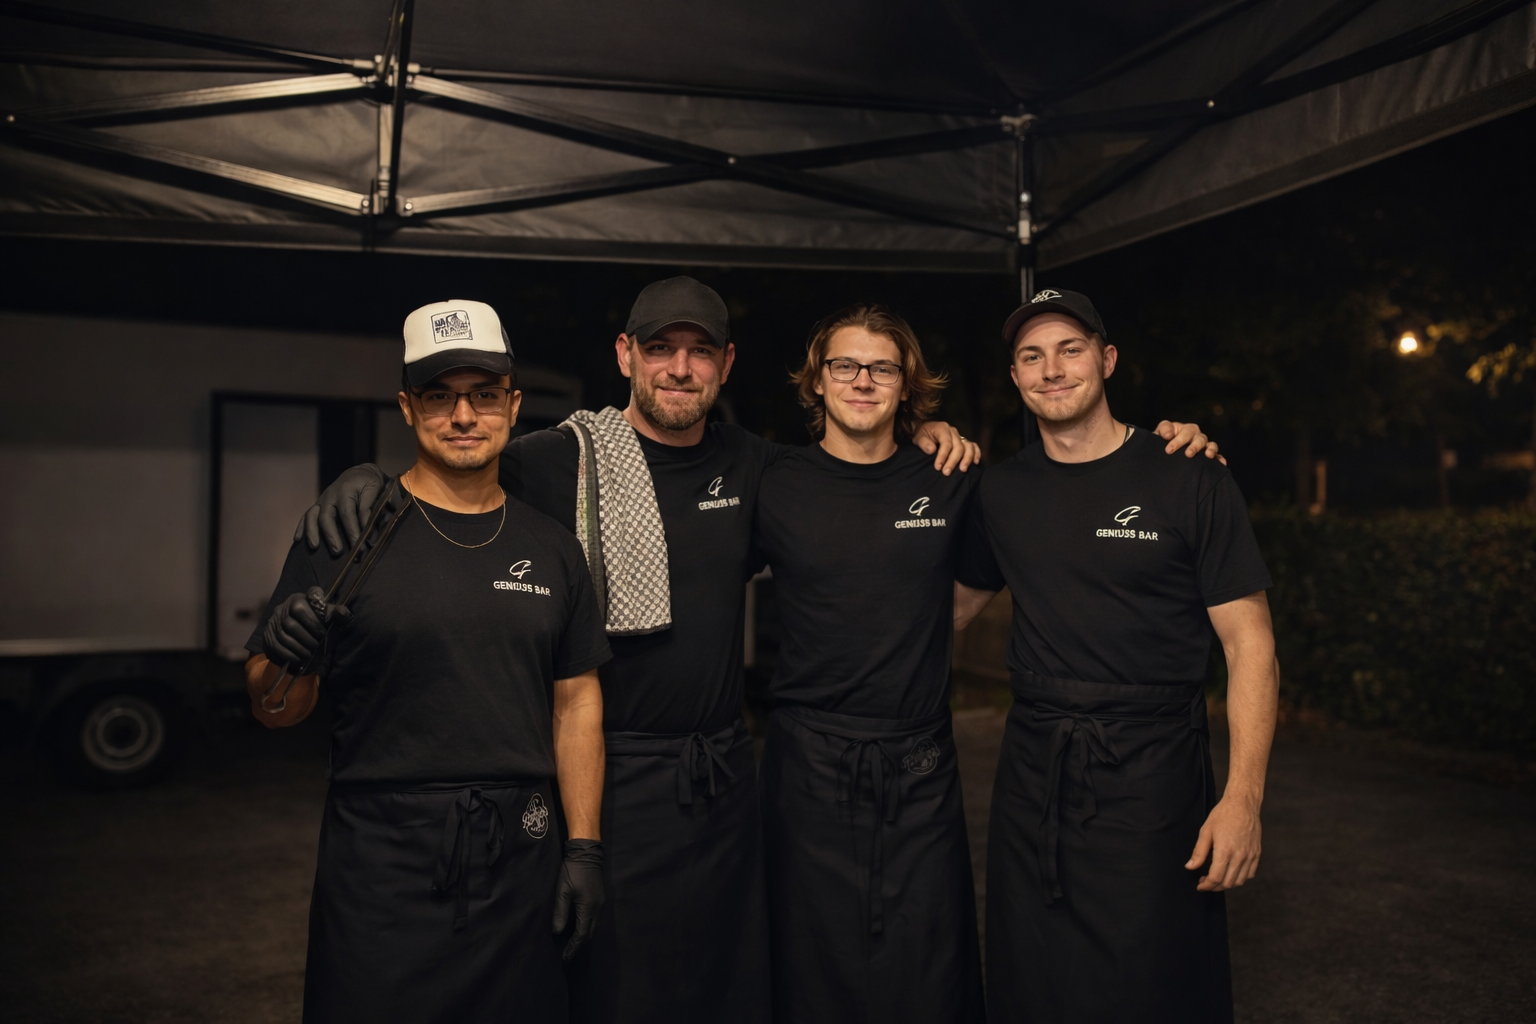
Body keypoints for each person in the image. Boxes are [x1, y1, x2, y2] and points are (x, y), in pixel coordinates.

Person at [296, 277, 979, 1024]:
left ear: (725, 364)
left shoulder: (755, 465)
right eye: (659, 349)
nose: (679, 369)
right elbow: (454, 471)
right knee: (614, 991)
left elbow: (851, 477)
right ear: (625, 355)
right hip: (605, 779)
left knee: (724, 989)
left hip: (720, 781)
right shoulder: (551, 461)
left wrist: (925, 434)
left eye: (699, 352)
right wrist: (369, 480)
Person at [246, 299, 611, 1023]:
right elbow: (274, 709)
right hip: (381, 865)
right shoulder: (344, 537)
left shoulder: (552, 548)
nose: (464, 416)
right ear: (408, 407)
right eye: (440, 396)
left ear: (513, 405)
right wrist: (286, 658)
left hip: (519, 860)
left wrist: (584, 848)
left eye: (484, 395)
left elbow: (575, 703)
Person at [954, 289, 1280, 1023]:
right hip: (1035, 771)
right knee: (1032, 978)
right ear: (1015, 376)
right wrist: (904, 447)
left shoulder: (1188, 472)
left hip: (1153, 775)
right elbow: (949, 608)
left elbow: (1250, 643)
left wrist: (1243, 800)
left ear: (1106, 360)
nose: (1051, 369)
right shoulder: (1000, 492)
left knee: (1150, 984)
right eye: (1031, 356)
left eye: (1070, 349)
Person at [753, 306, 986, 1023]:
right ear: (817, 381)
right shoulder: (773, 479)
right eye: (845, 365)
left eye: (882, 368)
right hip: (807, 765)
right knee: (809, 967)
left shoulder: (949, 475)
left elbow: (968, 595)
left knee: (927, 966)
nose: (863, 380)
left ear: (906, 384)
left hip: (917, 765)